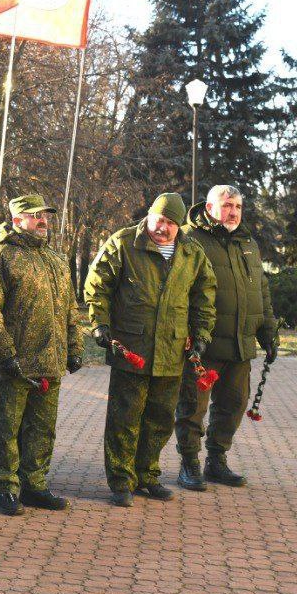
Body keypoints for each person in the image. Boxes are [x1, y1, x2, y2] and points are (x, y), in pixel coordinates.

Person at [84, 192, 216, 507]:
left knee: (160, 419)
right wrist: (99, 324)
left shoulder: (192, 253)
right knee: (124, 418)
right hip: (132, 347)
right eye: (159, 220)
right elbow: (97, 286)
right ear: (149, 215)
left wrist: (201, 335)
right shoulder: (124, 243)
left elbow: (204, 297)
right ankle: (121, 480)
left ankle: (147, 475)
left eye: (171, 223)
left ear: (179, 225)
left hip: (172, 349)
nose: (163, 228)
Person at [0, 194, 81, 517]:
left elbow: (70, 307)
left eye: (44, 215)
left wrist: (75, 347)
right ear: (17, 219)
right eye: (34, 215)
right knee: (7, 429)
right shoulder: (1, 256)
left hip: (50, 361)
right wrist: (5, 352)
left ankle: (34, 484)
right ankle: (6, 488)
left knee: (42, 429)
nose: (42, 220)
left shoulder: (56, 259)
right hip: (15, 363)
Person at [175, 185, 278, 489]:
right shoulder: (189, 238)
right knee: (192, 407)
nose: (233, 212)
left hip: (240, 343)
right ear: (209, 208)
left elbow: (261, 291)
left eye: (238, 206)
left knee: (233, 405)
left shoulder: (248, 243)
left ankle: (216, 461)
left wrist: (268, 331)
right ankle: (189, 464)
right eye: (227, 205)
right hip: (202, 343)